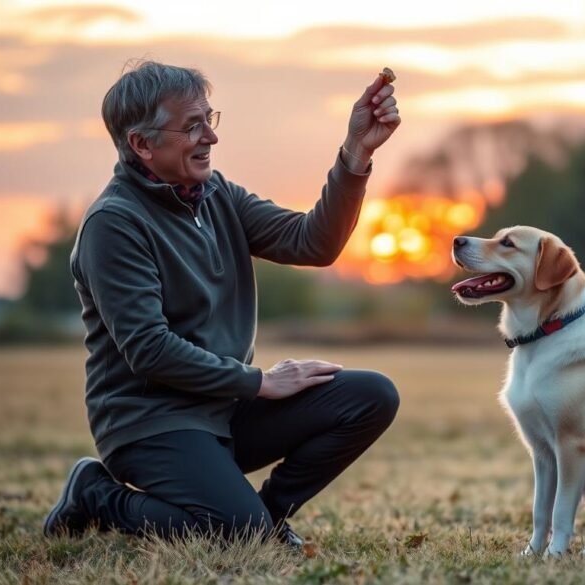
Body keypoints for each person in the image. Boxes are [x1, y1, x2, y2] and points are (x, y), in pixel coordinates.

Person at [43, 60, 401, 547]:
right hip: (150, 424)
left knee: (370, 395)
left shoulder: (215, 194)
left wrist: (355, 153)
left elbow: (312, 242)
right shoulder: (114, 225)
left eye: (209, 120)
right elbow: (149, 349)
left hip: (225, 408)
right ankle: (96, 495)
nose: (209, 138)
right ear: (142, 145)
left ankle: (266, 518)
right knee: (234, 532)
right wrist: (260, 382)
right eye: (192, 126)